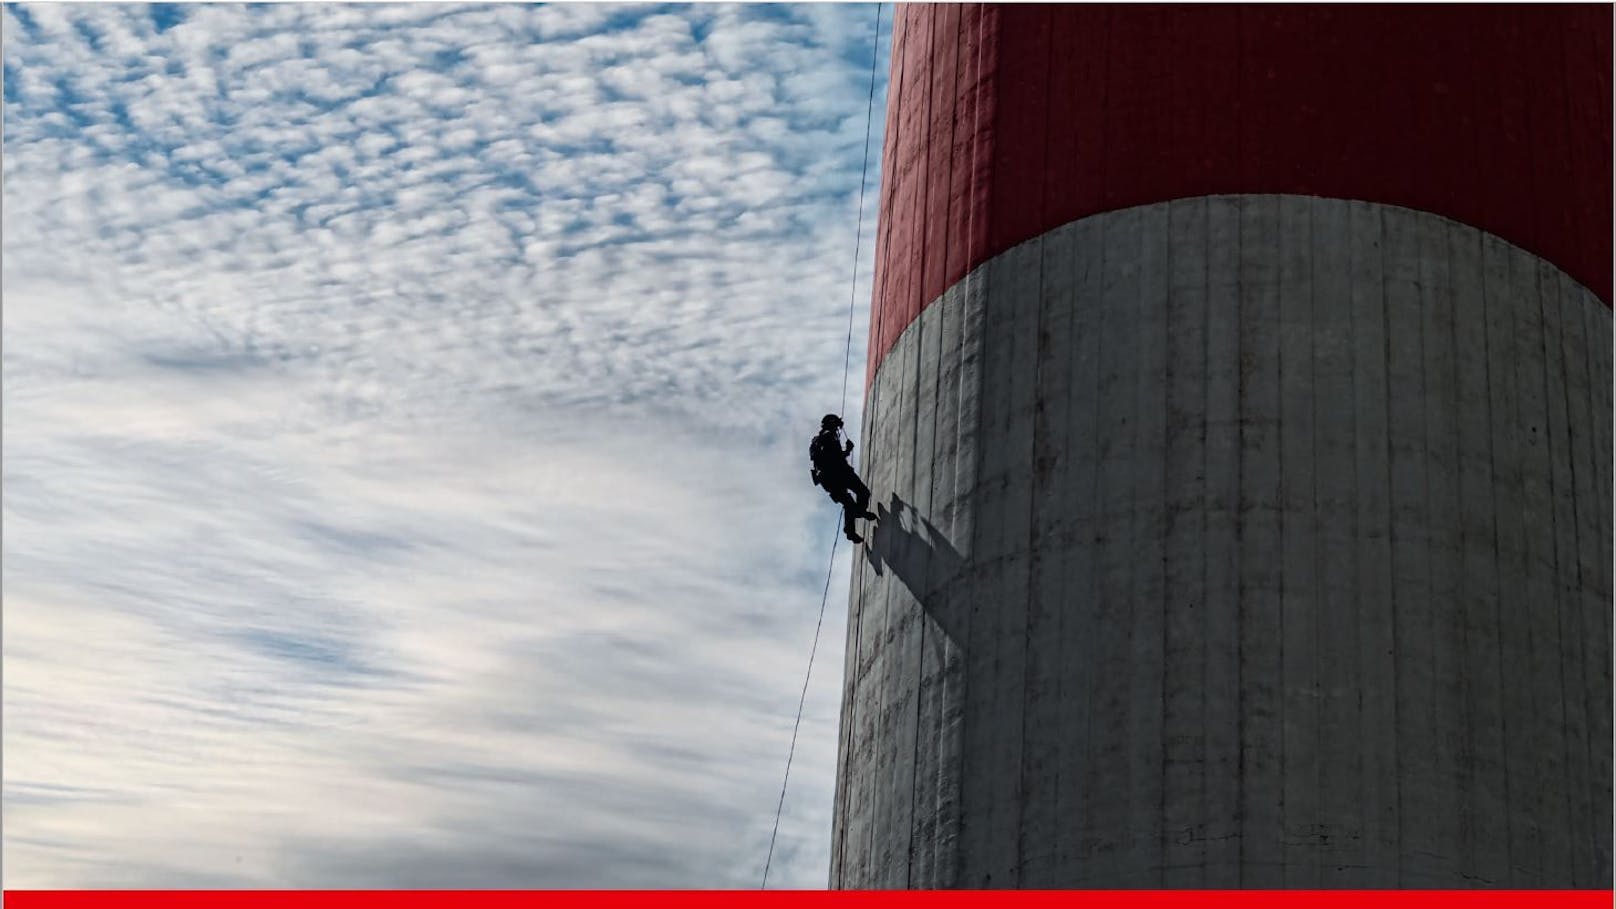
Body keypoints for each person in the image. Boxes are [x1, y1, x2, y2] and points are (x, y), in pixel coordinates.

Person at [810, 414, 876, 543]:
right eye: (837, 426)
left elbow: (826, 459)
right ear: (832, 424)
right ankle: (859, 512)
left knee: (848, 503)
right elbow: (836, 458)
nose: (838, 429)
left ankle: (851, 530)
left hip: (827, 480)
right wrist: (848, 450)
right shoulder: (829, 436)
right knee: (863, 492)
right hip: (840, 473)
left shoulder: (816, 441)